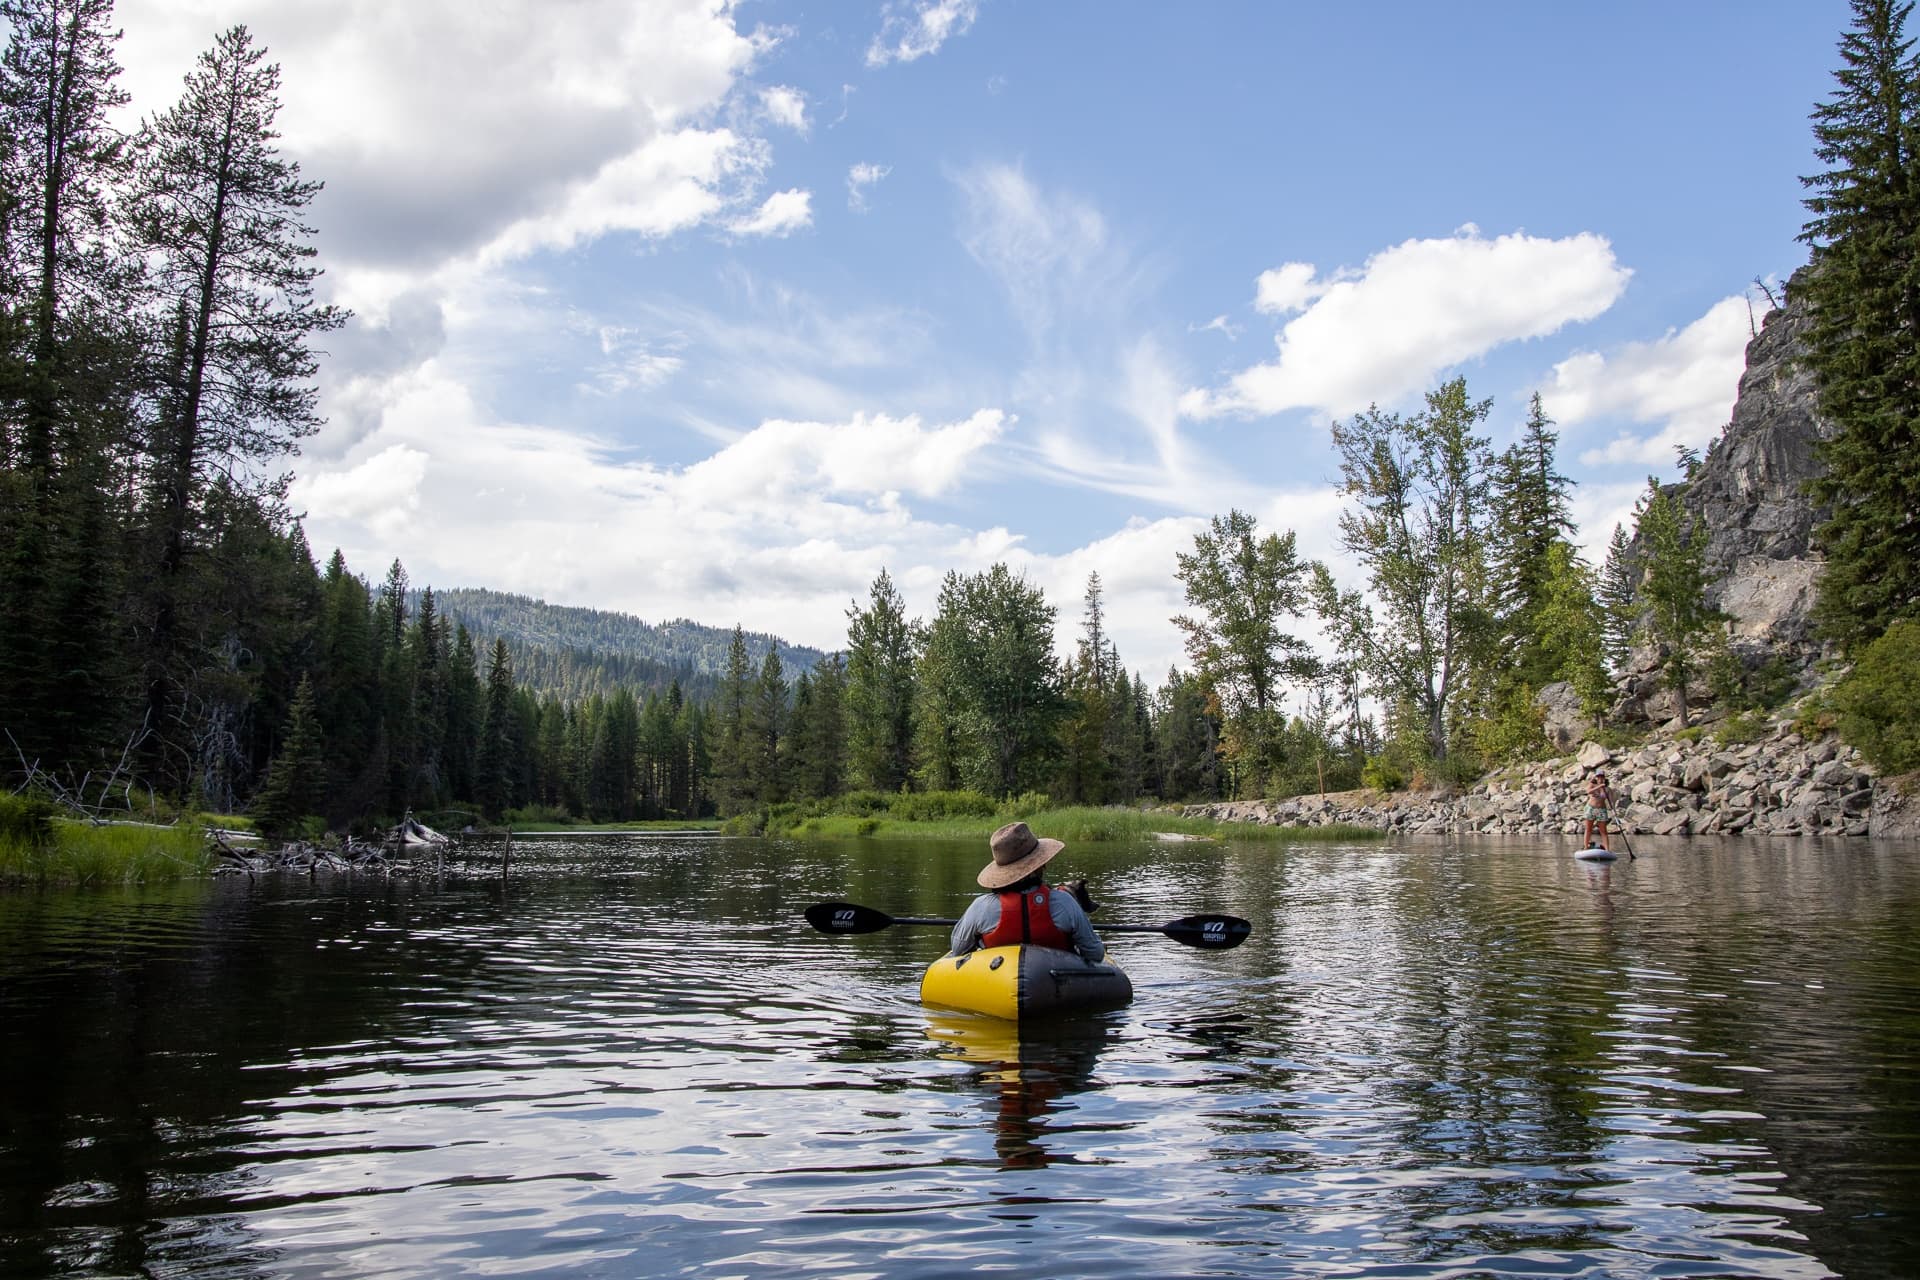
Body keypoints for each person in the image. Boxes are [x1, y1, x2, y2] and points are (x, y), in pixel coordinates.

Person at [950, 821, 1105, 963]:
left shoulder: (981, 907)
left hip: (998, 984)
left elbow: (958, 949)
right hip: (1055, 983)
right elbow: (1095, 954)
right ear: (1039, 866)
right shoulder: (1065, 902)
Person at [1584, 771, 1613, 851]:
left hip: (1602, 810)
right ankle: (1586, 847)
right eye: (1598, 777)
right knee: (1588, 829)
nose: (1600, 778)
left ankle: (1607, 849)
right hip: (1591, 808)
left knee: (1603, 831)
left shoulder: (1607, 789)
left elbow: (1611, 800)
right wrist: (1599, 786)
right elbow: (1588, 791)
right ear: (1596, 778)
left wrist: (1614, 810)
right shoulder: (1592, 785)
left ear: (1604, 777)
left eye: (1602, 777)